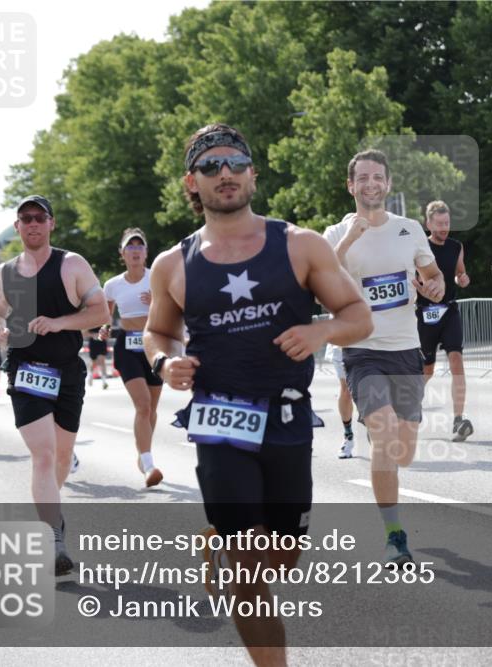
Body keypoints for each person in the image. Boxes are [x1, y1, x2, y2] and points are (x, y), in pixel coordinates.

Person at [144, 123, 371, 666]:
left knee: (284, 557)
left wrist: (320, 332)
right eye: (210, 166)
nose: (225, 173)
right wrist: (164, 361)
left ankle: (218, 544)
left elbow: (358, 315)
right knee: (249, 566)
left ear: (252, 172)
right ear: (191, 184)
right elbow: (157, 332)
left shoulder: (300, 244)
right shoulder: (172, 265)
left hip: (286, 416)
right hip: (219, 419)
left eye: (235, 163)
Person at [323, 149, 446, 565]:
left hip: (406, 349)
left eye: (378, 177)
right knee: (384, 429)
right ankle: (395, 535)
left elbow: (433, 276)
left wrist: (434, 286)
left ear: (388, 185)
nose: (371, 184)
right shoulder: (333, 234)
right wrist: (351, 238)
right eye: (363, 178)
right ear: (351, 186)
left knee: (403, 451)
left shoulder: (410, 229)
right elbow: (323, 280)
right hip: (361, 351)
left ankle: (385, 440)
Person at [0, 194, 110, 575]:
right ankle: (53, 536)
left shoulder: (71, 264)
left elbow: (100, 311)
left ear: (51, 223)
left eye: (40, 217)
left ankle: (50, 517)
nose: (33, 224)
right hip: (25, 369)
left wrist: (58, 323)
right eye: (25, 218)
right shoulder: (5, 272)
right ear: (18, 225)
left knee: (58, 457)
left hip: (67, 369)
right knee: (42, 453)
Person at [99, 228, 164, 487]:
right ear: (122, 253)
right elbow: (105, 316)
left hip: (154, 344)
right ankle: (149, 464)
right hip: (128, 346)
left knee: (153, 409)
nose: (135, 251)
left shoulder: (157, 278)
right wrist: (104, 328)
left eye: (140, 246)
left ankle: (142, 451)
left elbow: (177, 310)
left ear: (146, 253)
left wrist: (156, 303)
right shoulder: (112, 285)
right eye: (130, 247)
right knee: (143, 405)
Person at [417, 200, 474, 442]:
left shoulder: (456, 246)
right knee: (426, 369)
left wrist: (463, 279)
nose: (443, 228)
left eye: (447, 223)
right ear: (428, 223)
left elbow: (460, 272)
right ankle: (410, 404)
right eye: (439, 224)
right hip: (425, 313)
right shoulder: (420, 248)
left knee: (456, 361)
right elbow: (414, 281)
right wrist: (425, 291)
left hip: (449, 310)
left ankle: (458, 418)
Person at [324, 342, 357, 458]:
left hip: (371, 342)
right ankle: (348, 436)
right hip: (342, 343)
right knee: (346, 389)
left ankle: (376, 436)